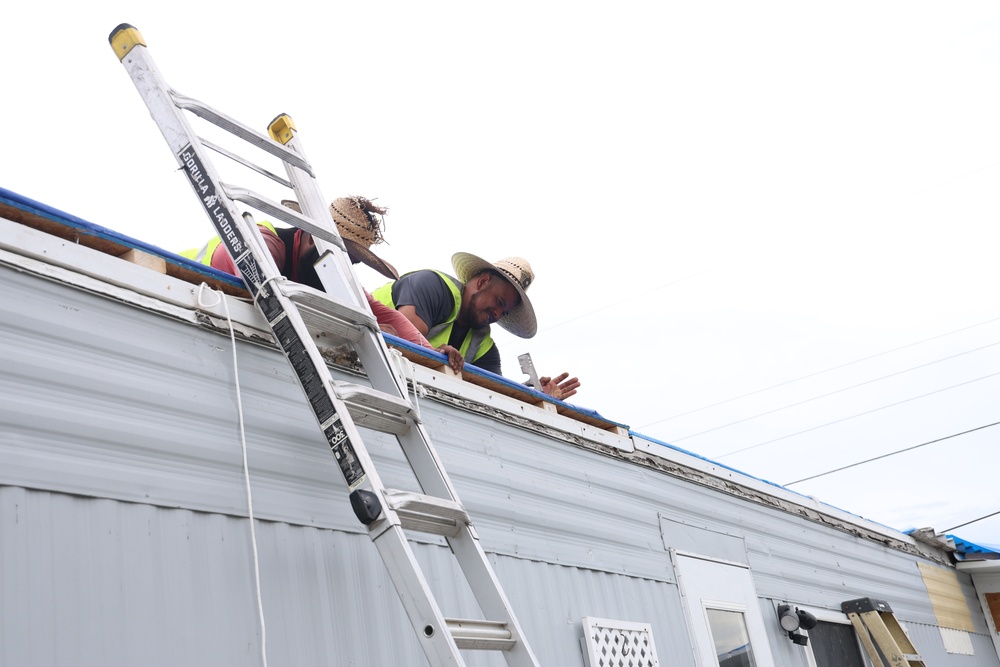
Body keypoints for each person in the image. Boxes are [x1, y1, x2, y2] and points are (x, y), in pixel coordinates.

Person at [180, 196, 433, 349]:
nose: (346, 271)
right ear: (313, 239)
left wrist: (432, 354)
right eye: (344, 260)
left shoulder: (325, 272)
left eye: (353, 264)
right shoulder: (263, 242)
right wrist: (368, 332)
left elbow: (380, 313)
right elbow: (265, 295)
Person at [372, 253, 581, 400]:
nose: (498, 315)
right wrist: (433, 355)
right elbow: (401, 341)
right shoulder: (432, 286)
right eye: (499, 303)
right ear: (482, 282)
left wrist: (534, 394)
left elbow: (495, 394)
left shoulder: (485, 348)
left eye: (505, 312)